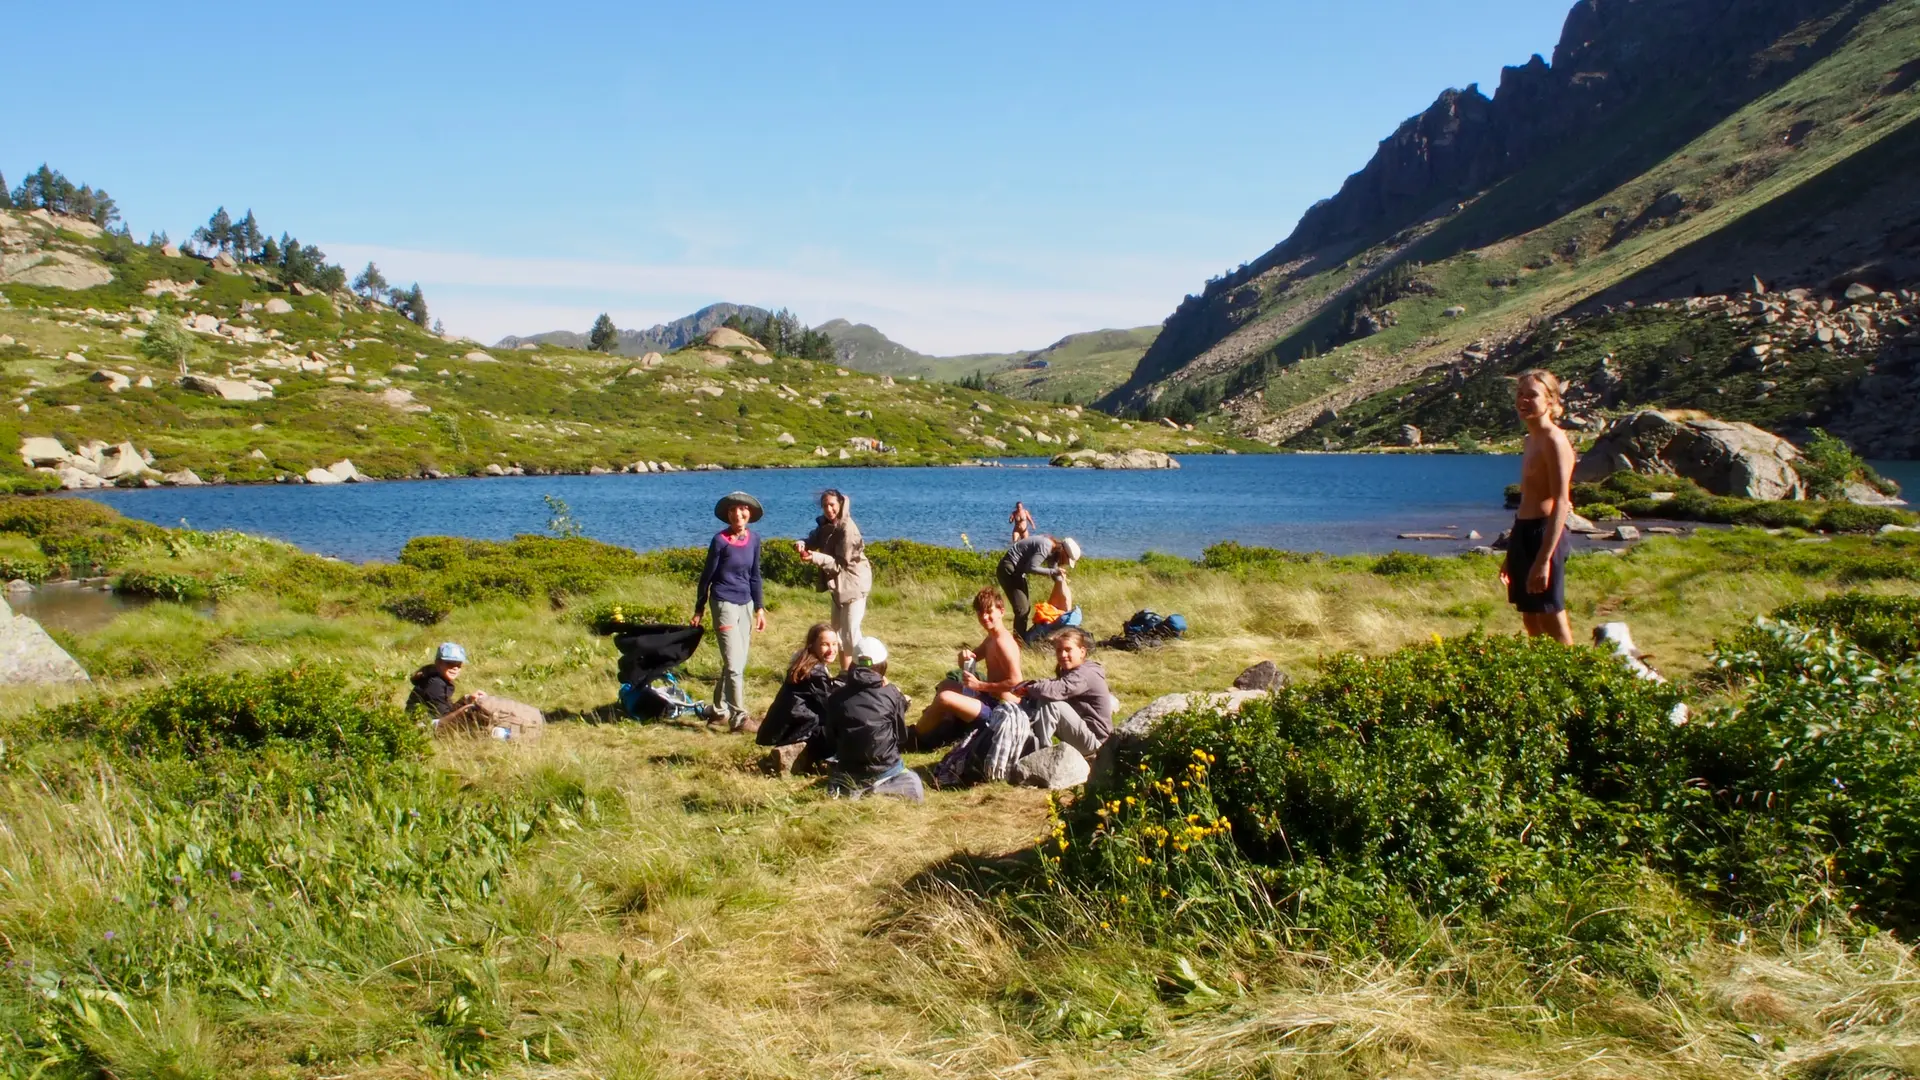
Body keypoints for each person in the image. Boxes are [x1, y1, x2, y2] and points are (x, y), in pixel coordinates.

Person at [1501, 370, 1576, 645]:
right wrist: (1512, 552)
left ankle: (1572, 678)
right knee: (1530, 616)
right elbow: (1526, 499)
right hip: (1524, 530)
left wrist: (1544, 559)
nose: (1523, 400)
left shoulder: (1555, 441)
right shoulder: (1530, 440)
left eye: (1532, 395)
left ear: (1551, 400)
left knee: (1551, 615)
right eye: (1520, 395)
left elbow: (1562, 502)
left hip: (1545, 533)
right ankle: (1544, 677)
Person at [693, 491, 768, 731]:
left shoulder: (755, 539)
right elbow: (706, 577)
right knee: (734, 664)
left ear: (750, 514)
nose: (738, 513)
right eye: (733, 510)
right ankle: (739, 717)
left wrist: (759, 608)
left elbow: (755, 576)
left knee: (736, 662)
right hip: (723, 603)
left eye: (743, 509)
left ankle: (718, 711)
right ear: (728, 514)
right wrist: (699, 608)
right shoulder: (720, 541)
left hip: (745, 604)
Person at [912, 587, 1023, 750]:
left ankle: (914, 738)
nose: (984, 617)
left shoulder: (1003, 643)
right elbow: (970, 659)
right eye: (980, 612)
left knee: (945, 697)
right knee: (946, 684)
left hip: (1001, 709)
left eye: (989, 611)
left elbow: (1017, 683)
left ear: (1001, 611)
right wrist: (963, 657)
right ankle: (949, 727)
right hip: (988, 697)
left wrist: (979, 686)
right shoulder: (992, 637)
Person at [822, 637, 924, 802]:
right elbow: (901, 736)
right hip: (886, 768)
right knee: (914, 784)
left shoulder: (836, 697)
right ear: (883, 665)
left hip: (849, 769)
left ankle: (849, 791)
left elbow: (831, 738)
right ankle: (881, 790)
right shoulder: (892, 693)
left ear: (853, 665)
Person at [795, 489, 871, 665]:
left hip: (854, 583)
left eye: (832, 505)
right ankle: (845, 673)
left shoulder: (848, 529)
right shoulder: (825, 525)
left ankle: (868, 669)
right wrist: (802, 543)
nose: (829, 509)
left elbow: (839, 564)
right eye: (825, 506)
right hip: (838, 585)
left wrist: (814, 557)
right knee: (836, 632)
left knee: (851, 633)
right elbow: (813, 539)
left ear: (840, 504)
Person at [1015, 627, 1112, 758]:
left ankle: (1041, 755)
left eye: (1068, 650)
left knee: (1050, 703)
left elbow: (1057, 689)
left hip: (1096, 743)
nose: (1063, 655)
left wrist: (1029, 689)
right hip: (1083, 734)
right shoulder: (1073, 671)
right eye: (1059, 650)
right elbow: (1052, 683)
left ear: (1082, 652)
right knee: (1039, 697)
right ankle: (1023, 743)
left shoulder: (1085, 673)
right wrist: (1030, 685)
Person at [757, 623, 841, 753]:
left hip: (786, 725)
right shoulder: (815, 673)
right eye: (825, 644)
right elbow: (829, 705)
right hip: (795, 726)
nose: (832, 649)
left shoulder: (806, 662)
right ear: (812, 645)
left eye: (834, 644)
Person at [996, 533, 1081, 636]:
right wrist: (1054, 572)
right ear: (1064, 552)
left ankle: (1021, 638)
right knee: (1022, 609)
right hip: (1009, 569)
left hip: (1017, 572)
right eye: (1068, 560)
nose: (1066, 563)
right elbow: (1031, 568)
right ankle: (1018, 642)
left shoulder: (1054, 552)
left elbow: (1054, 571)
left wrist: (1062, 581)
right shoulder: (1046, 546)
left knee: (1025, 608)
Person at [407, 642, 487, 726]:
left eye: (458, 664)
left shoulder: (437, 679)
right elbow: (444, 716)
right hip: (421, 726)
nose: (455, 667)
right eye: (450, 663)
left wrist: (467, 699)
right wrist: (467, 706)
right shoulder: (435, 683)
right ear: (438, 663)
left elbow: (446, 710)